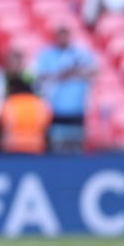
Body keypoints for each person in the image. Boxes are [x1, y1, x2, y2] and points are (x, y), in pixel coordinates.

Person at [33, 25, 97, 153]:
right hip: (54, 108)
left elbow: (94, 71)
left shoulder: (80, 54)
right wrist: (60, 75)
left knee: (75, 146)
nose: (63, 39)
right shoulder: (46, 55)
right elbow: (38, 76)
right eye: (60, 36)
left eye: (65, 36)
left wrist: (74, 72)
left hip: (77, 109)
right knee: (57, 146)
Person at [0, 78, 52, 154]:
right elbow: (47, 125)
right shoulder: (41, 104)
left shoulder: (8, 103)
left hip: (10, 146)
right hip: (37, 147)